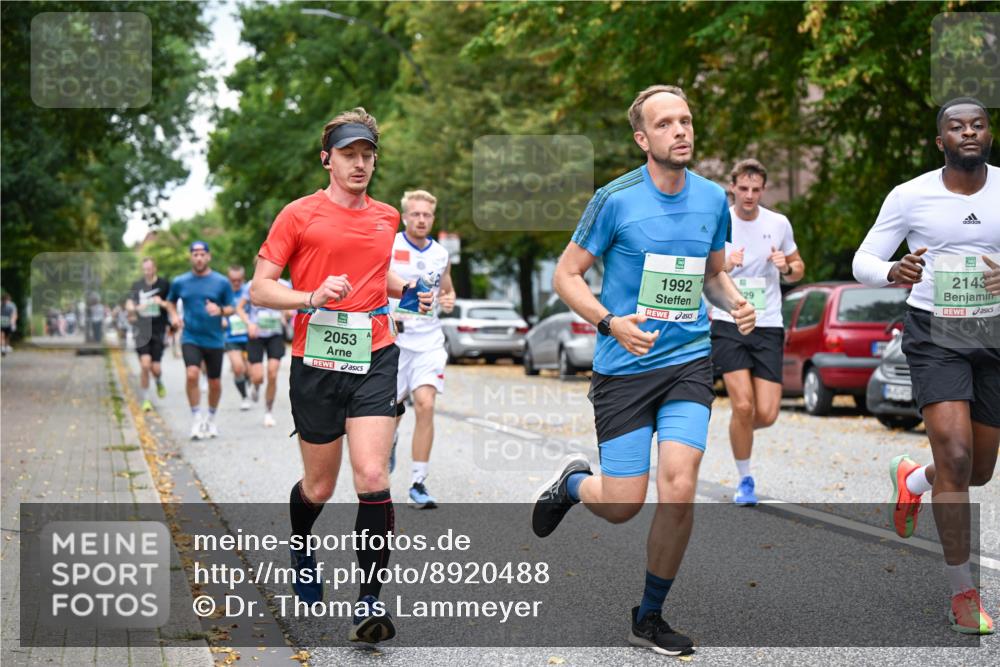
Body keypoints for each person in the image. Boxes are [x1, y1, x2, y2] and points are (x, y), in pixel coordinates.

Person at [531, 85, 755, 656]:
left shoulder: (711, 199)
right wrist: (610, 323)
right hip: (624, 368)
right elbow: (567, 276)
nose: (680, 131)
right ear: (642, 138)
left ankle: (649, 616)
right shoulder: (615, 199)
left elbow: (709, 274)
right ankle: (574, 485)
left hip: (686, 362)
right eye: (665, 124)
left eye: (685, 121)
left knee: (678, 488)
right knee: (625, 503)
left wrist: (735, 302)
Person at [249, 107, 432, 644]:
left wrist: (412, 290)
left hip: (375, 354)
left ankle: (370, 602)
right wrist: (309, 296)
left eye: (368, 155)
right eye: (349, 154)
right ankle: (302, 546)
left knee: (373, 476)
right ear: (327, 159)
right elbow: (262, 288)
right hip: (316, 360)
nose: (359, 164)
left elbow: (377, 270)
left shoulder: (387, 216)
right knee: (320, 485)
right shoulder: (298, 215)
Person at [852, 97, 999, 635]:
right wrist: (894, 270)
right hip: (934, 331)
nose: (968, 132)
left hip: (991, 332)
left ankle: (914, 478)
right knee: (957, 457)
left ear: (989, 135)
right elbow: (863, 260)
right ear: (941, 142)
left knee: (978, 470)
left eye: (977, 125)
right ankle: (963, 593)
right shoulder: (910, 195)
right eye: (956, 126)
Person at [711, 159, 804, 505]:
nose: (749, 195)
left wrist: (788, 267)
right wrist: (726, 264)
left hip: (767, 323)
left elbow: (797, 268)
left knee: (766, 413)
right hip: (728, 320)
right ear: (733, 186)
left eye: (756, 189)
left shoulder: (778, 223)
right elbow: (704, 268)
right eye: (743, 188)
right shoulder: (720, 221)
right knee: (745, 404)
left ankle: (739, 429)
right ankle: (744, 479)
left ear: (763, 190)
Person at [388, 189, 456, 509]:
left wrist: (448, 298)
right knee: (390, 412)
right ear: (405, 217)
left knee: (426, 404)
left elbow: (447, 288)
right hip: (394, 340)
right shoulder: (390, 245)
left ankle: (418, 482)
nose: (421, 219)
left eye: (427, 215)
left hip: (428, 340)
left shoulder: (441, 253)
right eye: (415, 214)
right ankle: (390, 442)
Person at [164, 241, 235, 440]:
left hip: (214, 339)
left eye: (203, 254)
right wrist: (173, 316)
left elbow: (232, 307)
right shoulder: (180, 281)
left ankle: (210, 419)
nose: (199, 257)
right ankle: (196, 418)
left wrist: (220, 310)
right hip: (190, 337)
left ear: (209, 257)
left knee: (214, 382)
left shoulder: (221, 282)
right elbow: (170, 302)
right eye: (195, 254)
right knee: (192, 374)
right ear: (190, 257)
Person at [239, 273, 292, 427]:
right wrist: (249, 323)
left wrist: (287, 314)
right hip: (256, 335)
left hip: (275, 334)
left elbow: (289, 306)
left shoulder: (284, 284)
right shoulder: (251, 285)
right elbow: (239, 308)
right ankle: (255, 385)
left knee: (273, 373)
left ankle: (268, 412)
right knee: (257, 377)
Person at [126, 257, 171, 411]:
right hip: (141, 330)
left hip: (158, 330)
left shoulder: (164, 284)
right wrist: (136, 308)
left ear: (154, 268)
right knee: (145, 365)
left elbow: (172, 305)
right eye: (144, 269)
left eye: (149, 268)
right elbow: (129, 304)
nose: (147, 272)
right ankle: (146, 400)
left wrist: (162, 303)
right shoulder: (137, 285)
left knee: (155, 368)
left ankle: (158, 380)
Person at [224, 265, 253, 411]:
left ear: (243, 279)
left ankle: (250, 383)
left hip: (248, 336)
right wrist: (221, 319)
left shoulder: (248, 291)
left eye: (239, 280)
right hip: (231, 337)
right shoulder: (224, 292)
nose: (236, 283)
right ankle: (244, 397)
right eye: (232, 280)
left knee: (250, 371)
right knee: (237, 368)